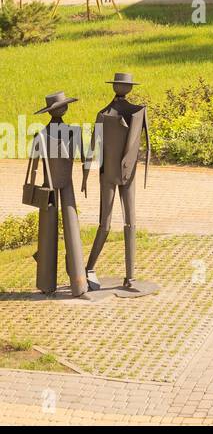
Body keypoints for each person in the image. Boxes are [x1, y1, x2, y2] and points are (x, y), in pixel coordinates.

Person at [83, 72, 150, 292]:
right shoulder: (104, 115)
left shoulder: (138, 112)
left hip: (127, 174)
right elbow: (93, 145)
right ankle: (89, 267)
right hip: (110, 175)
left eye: (125, 85)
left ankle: (130, 277)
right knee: (106, 223)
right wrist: (85, 175)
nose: (124, 89)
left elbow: (146, 144)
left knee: (131, 223)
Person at [26, 93, 88, 298]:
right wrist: (85, 180)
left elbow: (33, 166)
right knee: (72, 230)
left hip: (48, 187)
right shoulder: (74, 132)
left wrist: (31, 187)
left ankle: (46, 283)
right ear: (65, 109)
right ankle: (79, 283)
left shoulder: (41, 134)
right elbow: (85, 160)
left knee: (47, 234)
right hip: (66, 184)